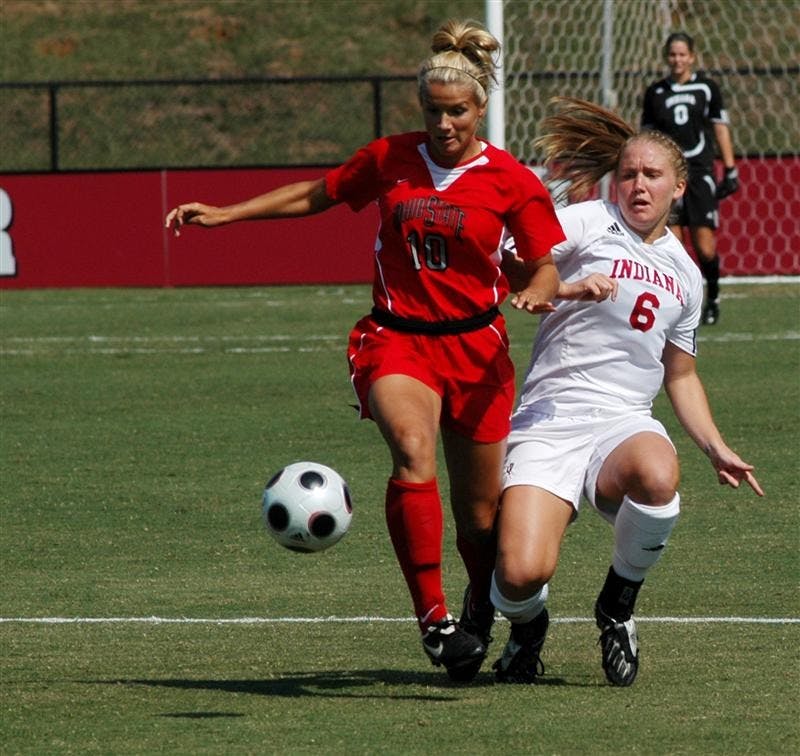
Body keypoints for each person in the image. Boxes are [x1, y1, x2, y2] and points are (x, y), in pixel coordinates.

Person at [164, 19, 565, 681]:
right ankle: (435, 621)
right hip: (397, 339)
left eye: (456, 111)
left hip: (478, 349)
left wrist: (539, 291)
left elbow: (542, 264)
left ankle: (492, 609)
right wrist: (227, 213)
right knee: (411, 448)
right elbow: (316, 194)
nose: (443, 124)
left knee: (480, 518)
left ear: (480, 107)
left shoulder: (511, 180)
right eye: (433, 111)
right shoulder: (389, 158)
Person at [491, 97, 763, 687]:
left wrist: (715, 447)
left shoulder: (686, 274)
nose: (638, 185)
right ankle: (528, 629)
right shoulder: (589, 220)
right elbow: (512, 263)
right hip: (550, 414)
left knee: (660, 473)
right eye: (629, 173)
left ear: (679, 186)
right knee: (518, 574)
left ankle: (616, 607)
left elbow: (681, 374)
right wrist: (562, 288)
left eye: (652, 175)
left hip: (621, 421)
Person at [641, 31, 739, 326]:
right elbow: (648, 136)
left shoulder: (706, 89)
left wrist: (730, 167)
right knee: (671, 244)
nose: (677, 59)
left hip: (699, 173)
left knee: (704, 245)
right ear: (666, 57)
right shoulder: (655, 93)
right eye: (672, 54)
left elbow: (720, 128)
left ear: (692, 57)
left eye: (682, 54)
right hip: (667, 176)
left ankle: (713, 298)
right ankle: (678, 303)